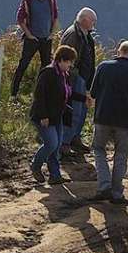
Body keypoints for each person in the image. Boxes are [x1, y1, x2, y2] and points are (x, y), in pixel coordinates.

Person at [89, 41, 128, 205]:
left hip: (103, 117)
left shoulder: (103, 67)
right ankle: (116, 193)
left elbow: (93, 92)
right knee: (121, 156)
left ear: (118, 51)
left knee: (99, 150)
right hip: (125, 120)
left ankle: (104, 186)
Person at [29, 45, 83, 186]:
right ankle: (35, 165)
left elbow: (68, 93)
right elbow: (39, 96)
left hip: (57, 116)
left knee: (57, 145)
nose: (70, 65)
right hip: (44, 116)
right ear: (62, 60)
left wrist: (84, 98)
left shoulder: (63, 75)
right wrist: (43, 116)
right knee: (51, 143)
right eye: (69, 62)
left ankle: (55, 175)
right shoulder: (48, 73)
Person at [11, 0, 59, 99]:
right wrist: (29, 35)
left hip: (46, 39)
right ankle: (13, 93)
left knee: (46, 68)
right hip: (32, 39)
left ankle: (41, 94)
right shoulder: (28, 0)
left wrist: (52, 34)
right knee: (23, 65)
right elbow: (20, 19)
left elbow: (55, 17)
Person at [59, 7, 97, 157]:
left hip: (84, 77)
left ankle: (75, 138)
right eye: (92, 20)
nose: (94, 23)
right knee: (73, 111)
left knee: (82, 109)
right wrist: (75, 78)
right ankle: (65, 143)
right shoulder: (74, 35)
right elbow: (67, 57)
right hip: (76, 78)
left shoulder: (85, 34)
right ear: (85, 20)